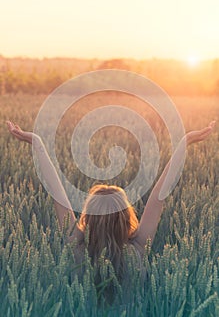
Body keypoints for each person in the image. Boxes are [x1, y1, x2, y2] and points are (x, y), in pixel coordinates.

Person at [6, 120, 215, 305]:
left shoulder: (77, 250)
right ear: (125, 217)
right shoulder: (138, 248)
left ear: (88, 218)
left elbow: (56, 193)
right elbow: (159, 197)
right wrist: (184, 143)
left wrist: (36, 143)